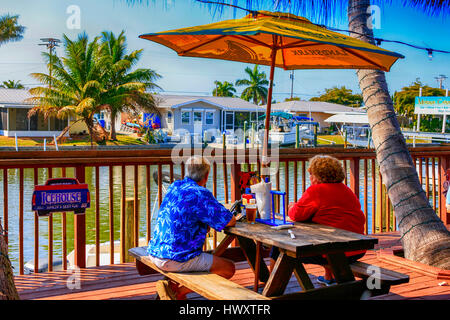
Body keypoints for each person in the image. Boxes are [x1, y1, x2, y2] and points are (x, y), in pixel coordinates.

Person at [269, 155, 366, 286]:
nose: (310, 178)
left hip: (335, 251)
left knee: (279, 246)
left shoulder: (316, 191)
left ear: (320, 176)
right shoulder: (347, 190)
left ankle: (272, 284)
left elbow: (296, 214)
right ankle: (329, 278)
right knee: (328, 234)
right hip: (358, 249)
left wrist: (292, 206)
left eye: (311, 174)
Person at [148, 156, 236, 299]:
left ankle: (175, 291)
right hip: (175, 258)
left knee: (202, 260)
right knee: (228, 268)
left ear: (187, 172)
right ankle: (178, 292)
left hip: (155, 252)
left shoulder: (174, 186)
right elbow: (229, 221)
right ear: (206, 176)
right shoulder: (200, 193)